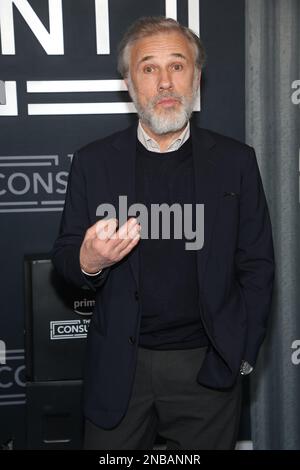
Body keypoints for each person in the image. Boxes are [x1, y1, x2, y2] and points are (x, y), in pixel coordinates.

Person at [51, 16, 275, 450]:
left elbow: (258, 265)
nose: (165, 82)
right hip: (120, 366)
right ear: (129, 82)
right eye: (149, 68)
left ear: (196, 76)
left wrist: (241, 356)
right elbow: (64, 256)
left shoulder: (236, 161)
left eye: (178, 65)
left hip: (207, 368)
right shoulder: (94, 162)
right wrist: (88, 261)